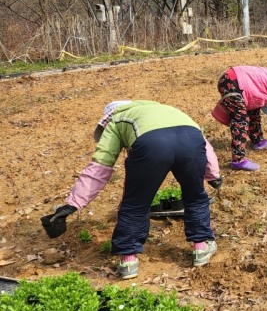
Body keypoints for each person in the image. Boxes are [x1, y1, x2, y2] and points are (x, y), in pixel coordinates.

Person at [42, 101, 222, 279]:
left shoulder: (117, 119)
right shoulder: (167, 109)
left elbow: (101, 165)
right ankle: (201, 248)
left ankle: (128, 261)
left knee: (136, 204)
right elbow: (205, 146)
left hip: (151, 146)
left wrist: (73, 203)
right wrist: (213, 175)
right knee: (195, 196)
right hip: (191, 140)